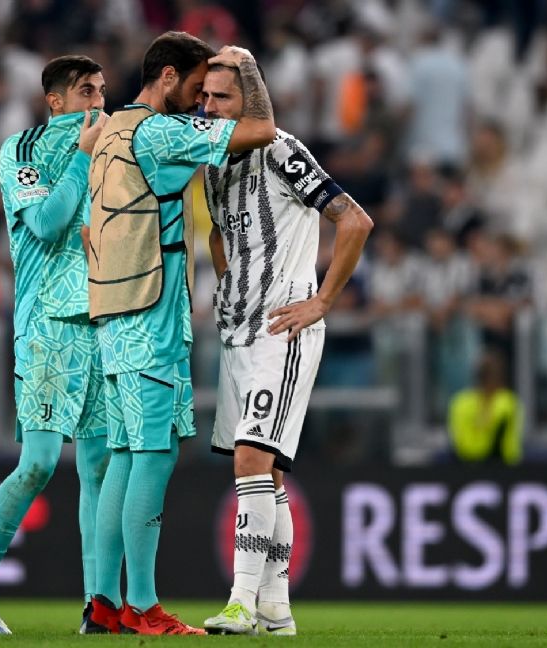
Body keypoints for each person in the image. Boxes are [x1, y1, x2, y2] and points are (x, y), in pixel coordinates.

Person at [83, 31, 276, 636]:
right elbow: (261, 131)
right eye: (195, 87)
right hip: (149, 313)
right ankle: (142, 605)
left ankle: (103, 602)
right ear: (167, 76)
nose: (199, 102)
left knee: (122, 457)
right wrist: (247, 71)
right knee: (154, 454)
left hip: (111, 311)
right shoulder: (159, 131)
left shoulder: (112, 129)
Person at [198, 60, 373, 636]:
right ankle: (276, 607)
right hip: (238, 331)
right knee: (266, 474)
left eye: (222, 97)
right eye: (205, 97)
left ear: (249, 101)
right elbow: (218, 233)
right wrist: (230, 285)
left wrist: (321, 301)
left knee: (251, 458)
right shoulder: (213, 165)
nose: (209, 108)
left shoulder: (281, 151)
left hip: (283, 328)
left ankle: (240, 602)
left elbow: (354, 221)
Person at [0, 54, 111, 636]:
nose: (98, 101)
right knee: (39, 463)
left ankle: (98, 608)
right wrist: (83, 155)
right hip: (46, 324)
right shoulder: (20, 149)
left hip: (102, 320)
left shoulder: (114, 148)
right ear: (56, 101)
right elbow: (45, 223)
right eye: (86, 91)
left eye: (102, 90)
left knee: (99, 469)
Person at [447, 352, 522, 465]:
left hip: (501, 466)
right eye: (491, 375)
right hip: (468, 466)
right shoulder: (461, 403)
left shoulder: (508, 402)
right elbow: (464, 446)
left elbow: (510, 449)